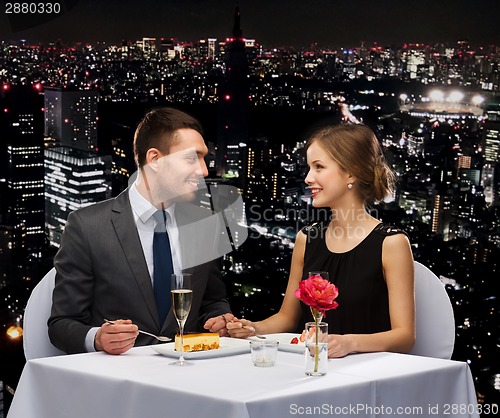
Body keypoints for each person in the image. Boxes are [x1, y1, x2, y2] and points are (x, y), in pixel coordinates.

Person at [49, 107, 235, 355]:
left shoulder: (203, 224)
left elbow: (213, 301)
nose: (204, 171)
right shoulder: (87, 226)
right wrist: (97, 338)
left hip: (190, 376)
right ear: (155, 159)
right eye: (192, 158)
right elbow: (61, 324)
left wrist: (220, 319)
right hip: (120, 382)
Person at [227, 123, 415, 358]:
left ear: (351, 172)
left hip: (368, 375)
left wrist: (348, 343)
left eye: (319, 167)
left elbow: (405, 336)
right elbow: (287, 318)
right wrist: (252, 328)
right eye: (309, 168)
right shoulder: (306, 238)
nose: (308, 178)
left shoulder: (391, 243)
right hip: (311, 368)